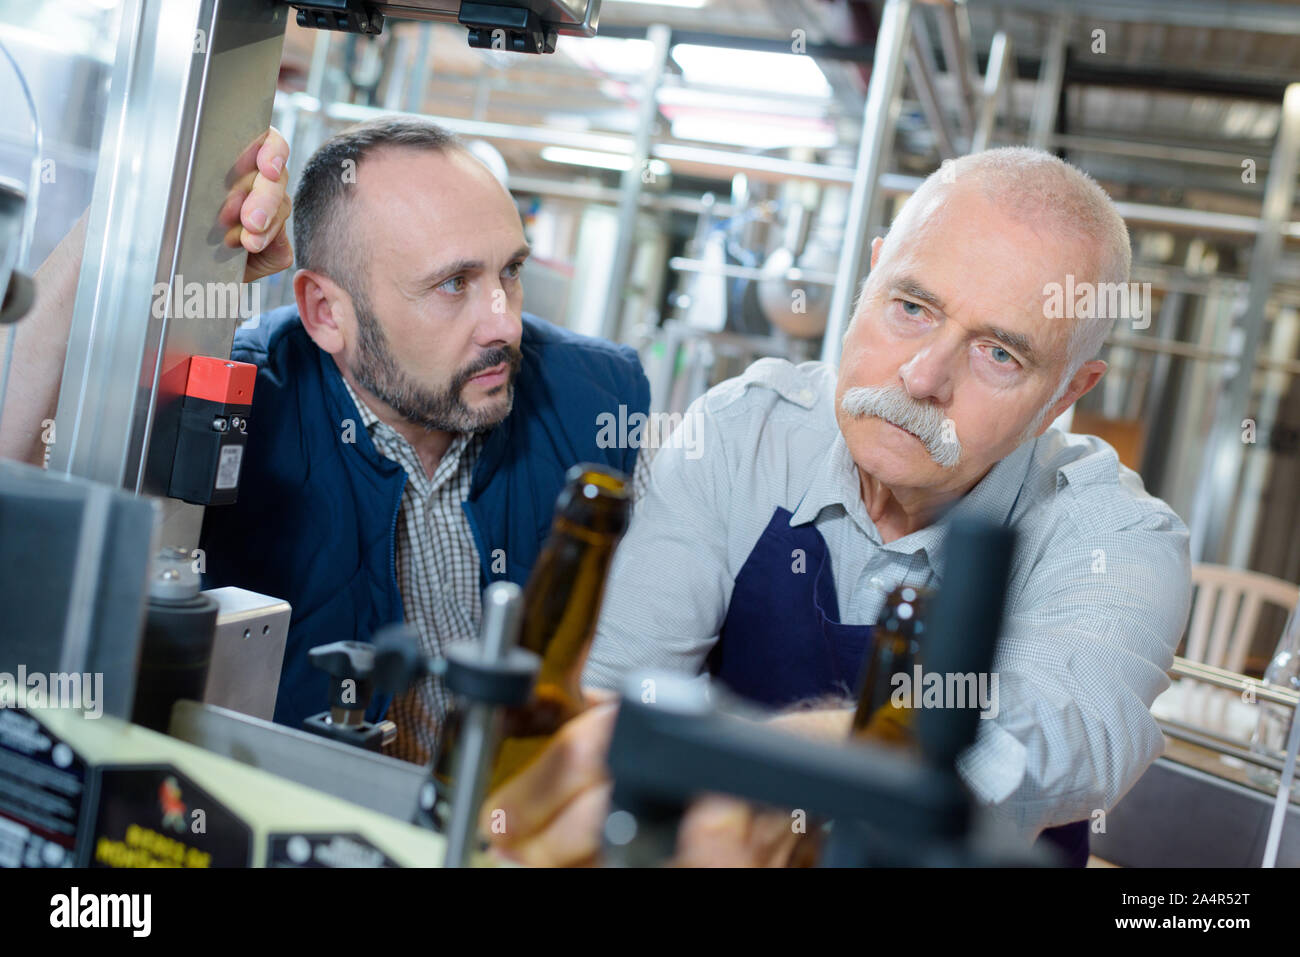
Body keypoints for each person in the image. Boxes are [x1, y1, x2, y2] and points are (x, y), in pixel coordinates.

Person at [484, 147, 1193, 867]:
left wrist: (762, 765)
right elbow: (614, 692)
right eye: (912, 307)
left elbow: (1043, 740)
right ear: (870, 276)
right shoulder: (741, 434)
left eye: (998, 354)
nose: (922, 377)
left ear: (1067, 394)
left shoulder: (1116, 538)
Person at [2, 120, 652, 765]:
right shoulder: (236, 405)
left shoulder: (599, 400)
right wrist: (156, 187)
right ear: (325, 312)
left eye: (509, 271)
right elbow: (15, 491)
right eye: (454, 283)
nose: (504, 321)